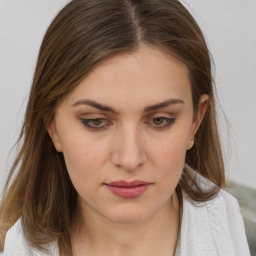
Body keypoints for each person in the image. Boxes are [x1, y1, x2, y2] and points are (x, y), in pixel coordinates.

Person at [0, 0, 250, 255]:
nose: (130, 159)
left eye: (160, 120)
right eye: (96, 121)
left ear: (196, 121)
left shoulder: (234, 230)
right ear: (51, 126)